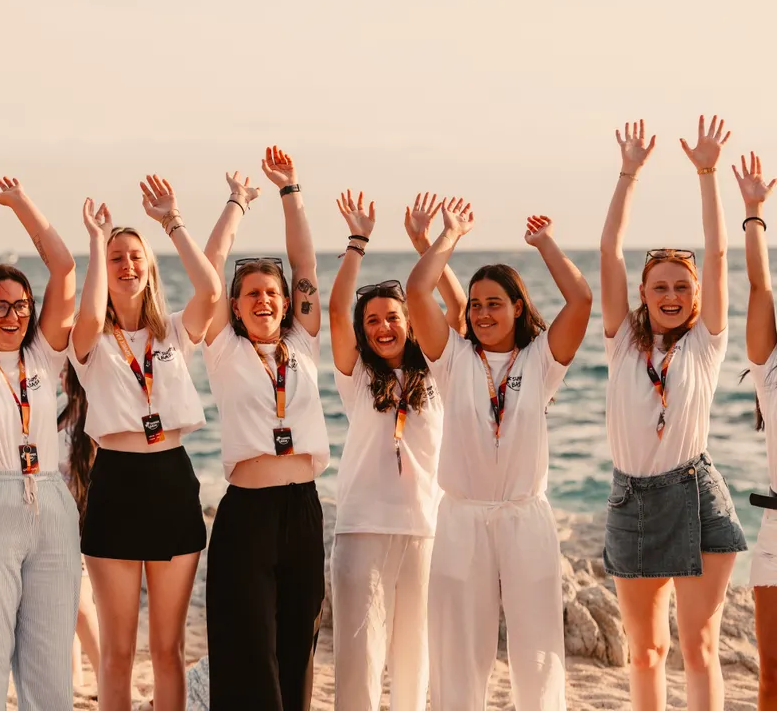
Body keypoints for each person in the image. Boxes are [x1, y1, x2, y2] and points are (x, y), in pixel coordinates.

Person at [406, 198, 592, 710]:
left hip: (525, 517)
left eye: (495, 303)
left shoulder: (540, 361)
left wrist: (545, 243)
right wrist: (448, 236)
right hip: (461, 519)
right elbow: (418, 291)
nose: (483, 313)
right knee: (458, 650)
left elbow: (580, 300)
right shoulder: (452, 359)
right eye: (476, 304)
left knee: (538, 651)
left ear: (517, 308)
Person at [600, 117, 747, 711]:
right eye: (659, 286)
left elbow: (718, 251)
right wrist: (628, 173)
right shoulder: (620, 343)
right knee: (644, 652)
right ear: (642, 293)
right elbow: (609, 252)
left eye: (682, 287)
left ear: (696, 295)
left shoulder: (705, 344)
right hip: (632, 500)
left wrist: (708, 174)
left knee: (700, 648)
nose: (671, 295)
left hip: (697, 496)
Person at [68, 176, 220, 711]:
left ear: (151, 268)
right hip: (116, 482)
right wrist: (97, 241)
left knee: (167, 649)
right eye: (117, 259)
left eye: (136, 257)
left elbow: (211, 291)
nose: (127, 265)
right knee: (117, 653)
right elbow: (91, 313)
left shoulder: (173, 331)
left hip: (172, 481)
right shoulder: (89, 339)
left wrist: (172, 222)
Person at [328, 190, 466, 710]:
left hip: (426, 529)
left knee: (415, 661)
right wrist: (357, 241)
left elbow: (457, 308)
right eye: (373, 321)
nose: (383, 327)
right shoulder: (357, 376)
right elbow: (336, 310)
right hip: (361, 529)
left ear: (410, 321)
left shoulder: (438, 369)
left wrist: (430, 244)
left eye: (393, 317)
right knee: (358, 661)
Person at [202, 147, 328, 710]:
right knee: (249, 654)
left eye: (272, 293)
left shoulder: (302, 342)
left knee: (298, 647)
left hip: (303, 510)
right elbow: (210, 268)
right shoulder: (223, 349)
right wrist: (236, 202)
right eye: (251, 293)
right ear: (234, 305)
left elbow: (305, 267)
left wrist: (290, 190)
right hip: (247, 516)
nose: (264, 300)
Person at [0, 172, 81, 709]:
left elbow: (63, 268)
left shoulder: (41, 354)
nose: (13, 315)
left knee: (50, 662)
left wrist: (20, 201)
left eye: (21, 305)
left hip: (51, 503)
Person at [733, 150, 777, 709]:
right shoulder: (770, 369)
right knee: (771, 677)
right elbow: (759, 287)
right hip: (776, 531)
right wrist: (754, 212)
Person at [57, 361, 101, 690]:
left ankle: (107, 675)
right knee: (65, 604)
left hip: (80, 522)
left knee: (80, 604)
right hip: (55, 519)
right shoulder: (63, 408)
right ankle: (75, 679)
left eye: (64, 371)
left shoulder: (93, 415)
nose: (59, 376)